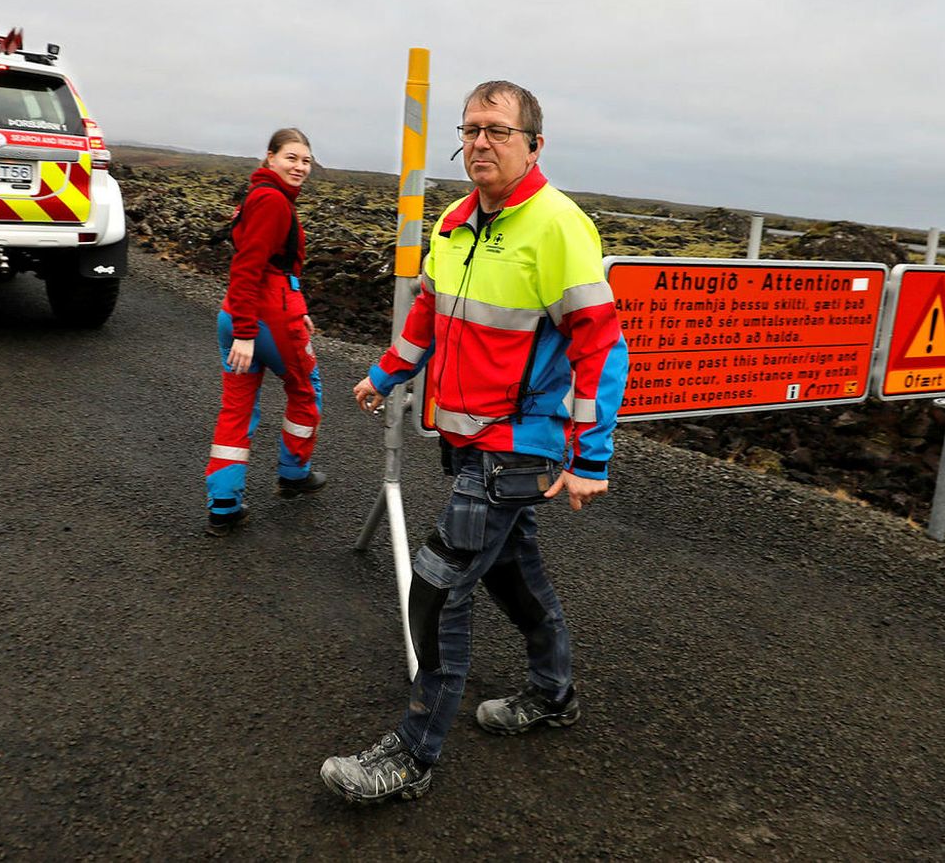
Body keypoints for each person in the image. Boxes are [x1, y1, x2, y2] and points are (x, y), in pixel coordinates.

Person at [320, 80, 628, 803]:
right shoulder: (456, 223)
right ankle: (554, 694)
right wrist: (388, 371)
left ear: (533, 144)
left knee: (434, 588)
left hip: (517, 444)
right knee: (509, 573)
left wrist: (590, 455)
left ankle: (411, 755)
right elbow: (429, 308)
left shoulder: (557, 226)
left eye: (497, 129)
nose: (480, 141)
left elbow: (602, 347)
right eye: (471, 129)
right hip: (465, 438)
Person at [203, 128, 328, 536]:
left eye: (306, 161)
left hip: (246, 312)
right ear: (270, 157)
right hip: (265, 316)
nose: (300, 167)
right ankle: (294, 473)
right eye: (291, 157)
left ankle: (223, 505)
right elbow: (249, 267)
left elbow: (274, 264)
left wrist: (298, 309)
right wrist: (246, 332)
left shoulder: (256, 196)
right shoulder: (274, 202)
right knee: (306, 389)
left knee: (236, 409)